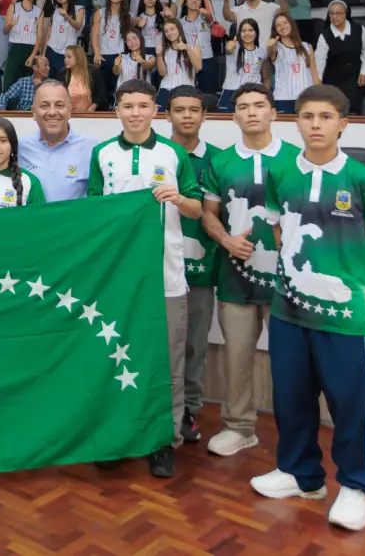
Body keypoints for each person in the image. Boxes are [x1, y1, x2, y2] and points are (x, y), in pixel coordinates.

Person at [252, 85, 365, 532]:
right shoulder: (281, 174)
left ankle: (357, 486)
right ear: (296, 122)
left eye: (325, 117)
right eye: (308, 116)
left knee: (352, 402)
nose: (316, 125)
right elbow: (277, 232)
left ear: (342, 124)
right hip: (290, 310)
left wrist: (363, 293)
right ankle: (300, 474)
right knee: (291, 396)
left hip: (348, 317)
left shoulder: (364, 179)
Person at [87, 78, 203, 478]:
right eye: (127, 105)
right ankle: (117, 435)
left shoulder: (173, 154)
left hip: (166, 273)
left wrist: (179, 198)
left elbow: (196, 210)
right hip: (117, 277)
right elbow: (93, 214)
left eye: (142, 105)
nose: (135, 112)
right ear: (116, 110)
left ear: (157, 110)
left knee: (167, 360)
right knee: (112, 354)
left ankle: (162, 440)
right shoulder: (102, 154)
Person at [199, 83, 299, 458]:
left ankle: (294, 432)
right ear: (233, 115)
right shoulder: (221, 162)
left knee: (290, 364)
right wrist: (225, 240)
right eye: (244, 106)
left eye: (260, 105)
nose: (252, 112)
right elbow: (208, 215)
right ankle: (239, 427)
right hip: (235, 279)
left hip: (288, 283)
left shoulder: (297, 158)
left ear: (274, 112)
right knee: (237, 359)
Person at [164, 87, 221, 446]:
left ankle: (188, 410)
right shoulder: (155, 154)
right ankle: (157, 408)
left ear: (204, 116)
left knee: (194, 345)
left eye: (193, 110)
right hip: (156, 269)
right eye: (179, 110)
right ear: (167, 115)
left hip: (200, 270)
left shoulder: (218, 160)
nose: (186, 116)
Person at [18, 79, 95, 202]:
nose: (52, 112)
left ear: (69, 111)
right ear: (34, 113)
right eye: (44, 106)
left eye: (59, 105)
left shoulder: (92, 148)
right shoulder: (19, 148)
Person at [314, 1, 365, 115]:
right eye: (331, 13)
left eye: (338, 13)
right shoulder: (325, 35)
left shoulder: (359, 30)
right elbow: (320, 60)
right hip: (333, 80)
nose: (334, 17)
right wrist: (319, 82)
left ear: (346, 14)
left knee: (355, 110)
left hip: (355, 78)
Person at [266, 12, 319, 115]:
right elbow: (271, 50)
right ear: (275, 29)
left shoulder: (307, 46)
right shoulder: (276, 47)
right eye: (278, 25)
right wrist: (270, 45)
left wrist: (319, 95)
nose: (282, 27)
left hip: (306, 98)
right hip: (283, 99)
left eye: (285, 23)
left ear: (291, 24)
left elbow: (315, 75)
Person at [33, 0, 84, 79]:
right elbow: (49, 32)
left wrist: (67, 16)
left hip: (67, 52)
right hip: (51, 50)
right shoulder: (55, 11)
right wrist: (43, 53)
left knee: (64, 81)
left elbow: (78, 25)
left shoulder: (79, 9)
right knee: (48, 80)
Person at [1, 0, 42, 90]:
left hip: (30, 49)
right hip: (15, 48)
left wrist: (33, 54)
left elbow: (39, 36)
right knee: (10, 81)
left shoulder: (39, 11)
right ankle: (6, 107)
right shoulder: (13, 7)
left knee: (28, 85)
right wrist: (11, 24)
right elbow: (5, 30)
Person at [154, 19, 200, 110]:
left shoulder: (193, 46)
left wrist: (187, 48)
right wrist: (159, 55)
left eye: (172, 29)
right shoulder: (163, 49)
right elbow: (162, 73)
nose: (169, 33)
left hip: (186, 90)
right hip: (165, 89)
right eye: (166, 31)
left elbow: (199, 67)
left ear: (179, 29)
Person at [220, 19, 265, 112]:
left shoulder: (262, 52)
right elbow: (228, 49)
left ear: (256, 33)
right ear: (239, 34)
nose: (247, 33)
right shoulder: (234, 46)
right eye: (243, 31)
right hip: (231, 91)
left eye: (250, 30)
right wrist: (229, 46)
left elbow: (265, 75)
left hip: (254, 93)